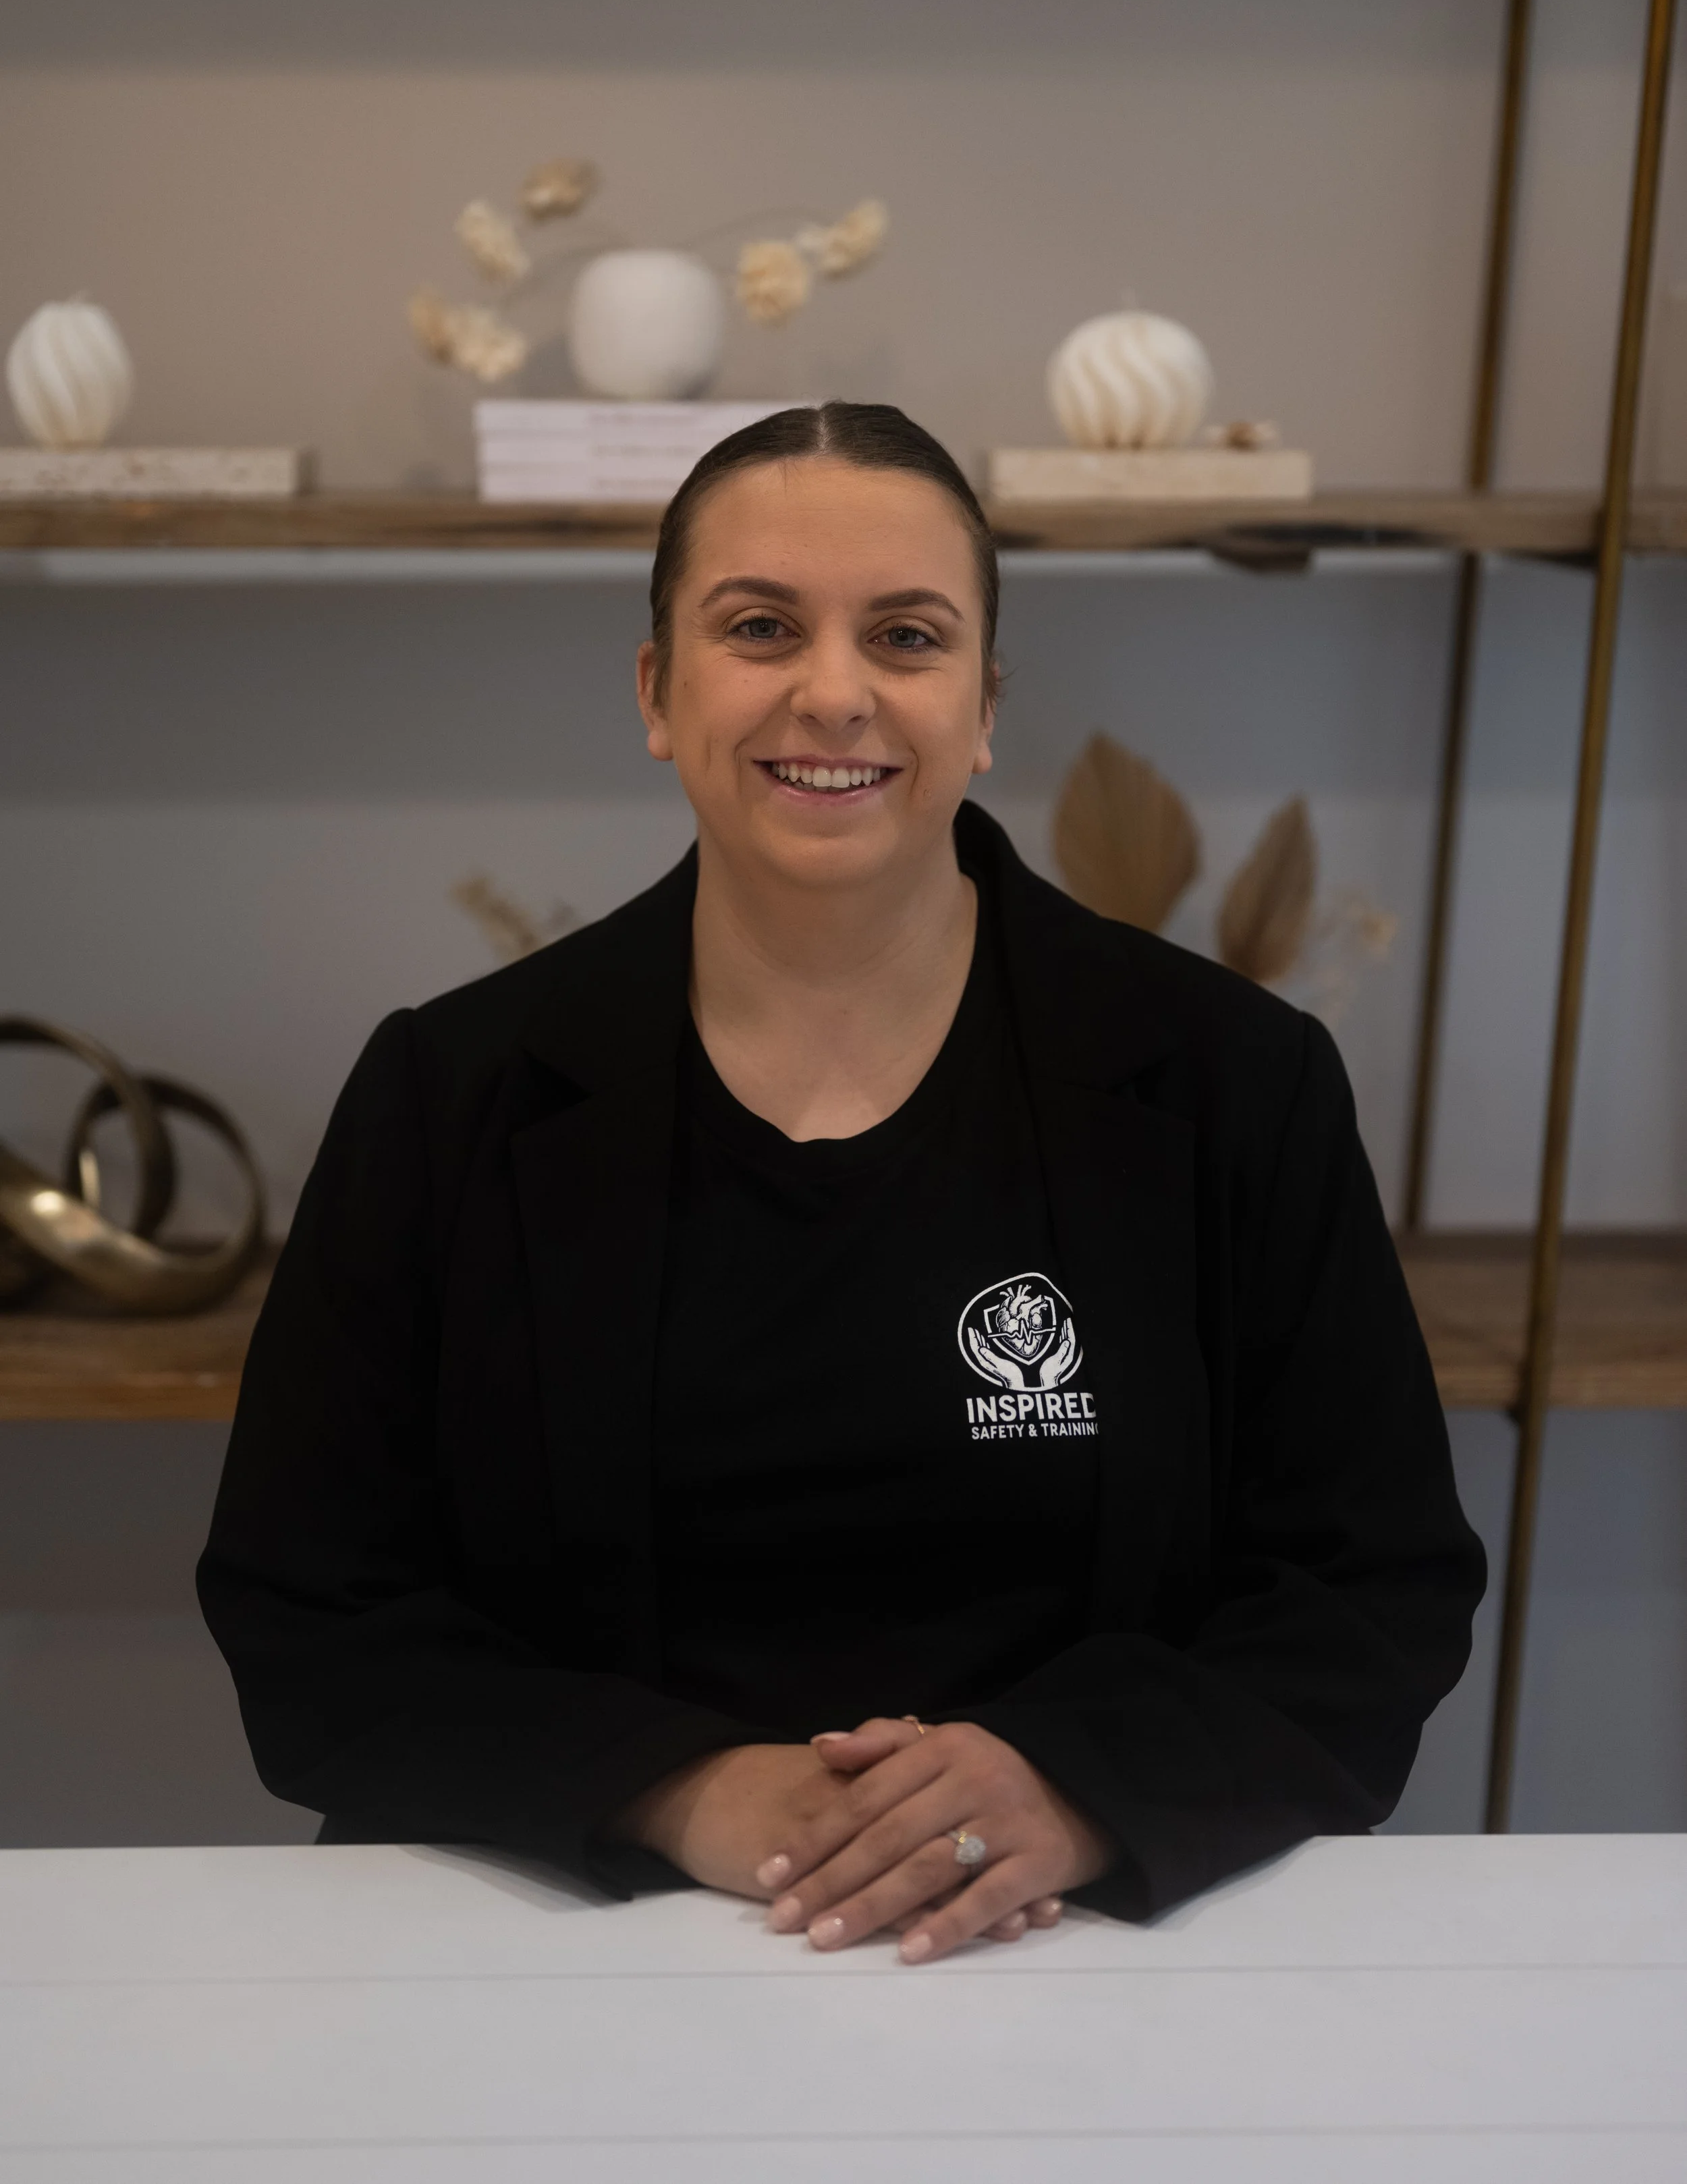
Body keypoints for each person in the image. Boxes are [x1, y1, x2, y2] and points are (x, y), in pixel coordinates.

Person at [200, 400, 1484, 1966]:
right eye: (757, 627)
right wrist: (688, 1791)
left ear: (984, 704)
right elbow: (307, 1613)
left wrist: (1074, 1785)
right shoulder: (448, 1093)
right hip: (574, 1947)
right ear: (657, 691)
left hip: (1078, 1948)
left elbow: (1374, 1584)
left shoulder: (1228, 1083)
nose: (833, 691)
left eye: (905, 634)